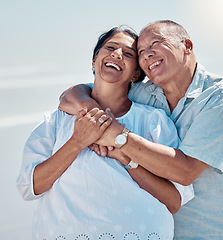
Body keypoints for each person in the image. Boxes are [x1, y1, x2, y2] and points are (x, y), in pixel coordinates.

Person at [59, 20, 223, 239]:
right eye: (140, 52)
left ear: (187, 46)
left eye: (155, 43)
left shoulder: (221, 98)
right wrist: (95, 117)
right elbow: (75, 94)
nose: (147, 54)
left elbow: (185, 172)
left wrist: (118, 137)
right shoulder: (144, 95)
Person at [16, 26, 194, 240]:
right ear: (94, 60)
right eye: (110, 47)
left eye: (128, 54)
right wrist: (77, 142)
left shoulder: (153, 121)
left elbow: (174, 202)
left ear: (136, 73)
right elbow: (29, 188)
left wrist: (125, 158)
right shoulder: (57, 120)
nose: (117, 54)